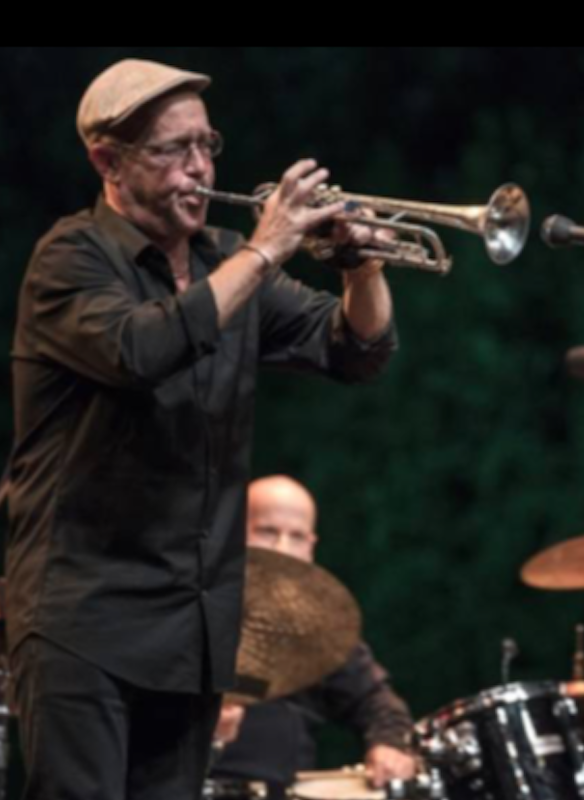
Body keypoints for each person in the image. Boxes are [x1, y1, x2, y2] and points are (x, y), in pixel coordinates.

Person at [5, 59, 397, 800]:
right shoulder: (71, 257)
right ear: (108, 162)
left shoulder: (223, 257)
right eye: (173, 149)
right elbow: (141, 349)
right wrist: (266, 248)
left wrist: (363, 270)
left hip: (191, 628)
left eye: (206, 144)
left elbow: (355, 351)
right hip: (84, 617)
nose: (199, 167)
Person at [210, 476, 417, 799]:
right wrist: (201, 729)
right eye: (267, 531)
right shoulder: (190, 614)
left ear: (311, 547)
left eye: (297, 537)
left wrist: (389, 744)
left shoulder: (316, 629)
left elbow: (376, 702)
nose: (282, 548)